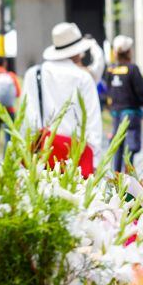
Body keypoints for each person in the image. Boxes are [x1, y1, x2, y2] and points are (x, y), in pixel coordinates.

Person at [23, 22, 103, 175]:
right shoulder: (83, 78)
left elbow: (28, 119)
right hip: (76, 158)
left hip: (42, 156)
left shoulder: (33, 74)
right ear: (78, 52)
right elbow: (93, 125)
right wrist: (94, 163)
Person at [103, 35, 143, 172]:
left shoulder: (110, 70)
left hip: (116, 112)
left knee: (118, 144)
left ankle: (117, 174)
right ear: (129, 51)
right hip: (131, 113)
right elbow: (141, 90)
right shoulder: (132, 68)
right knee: (132, 146)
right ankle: (128, 175)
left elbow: (107, 90)